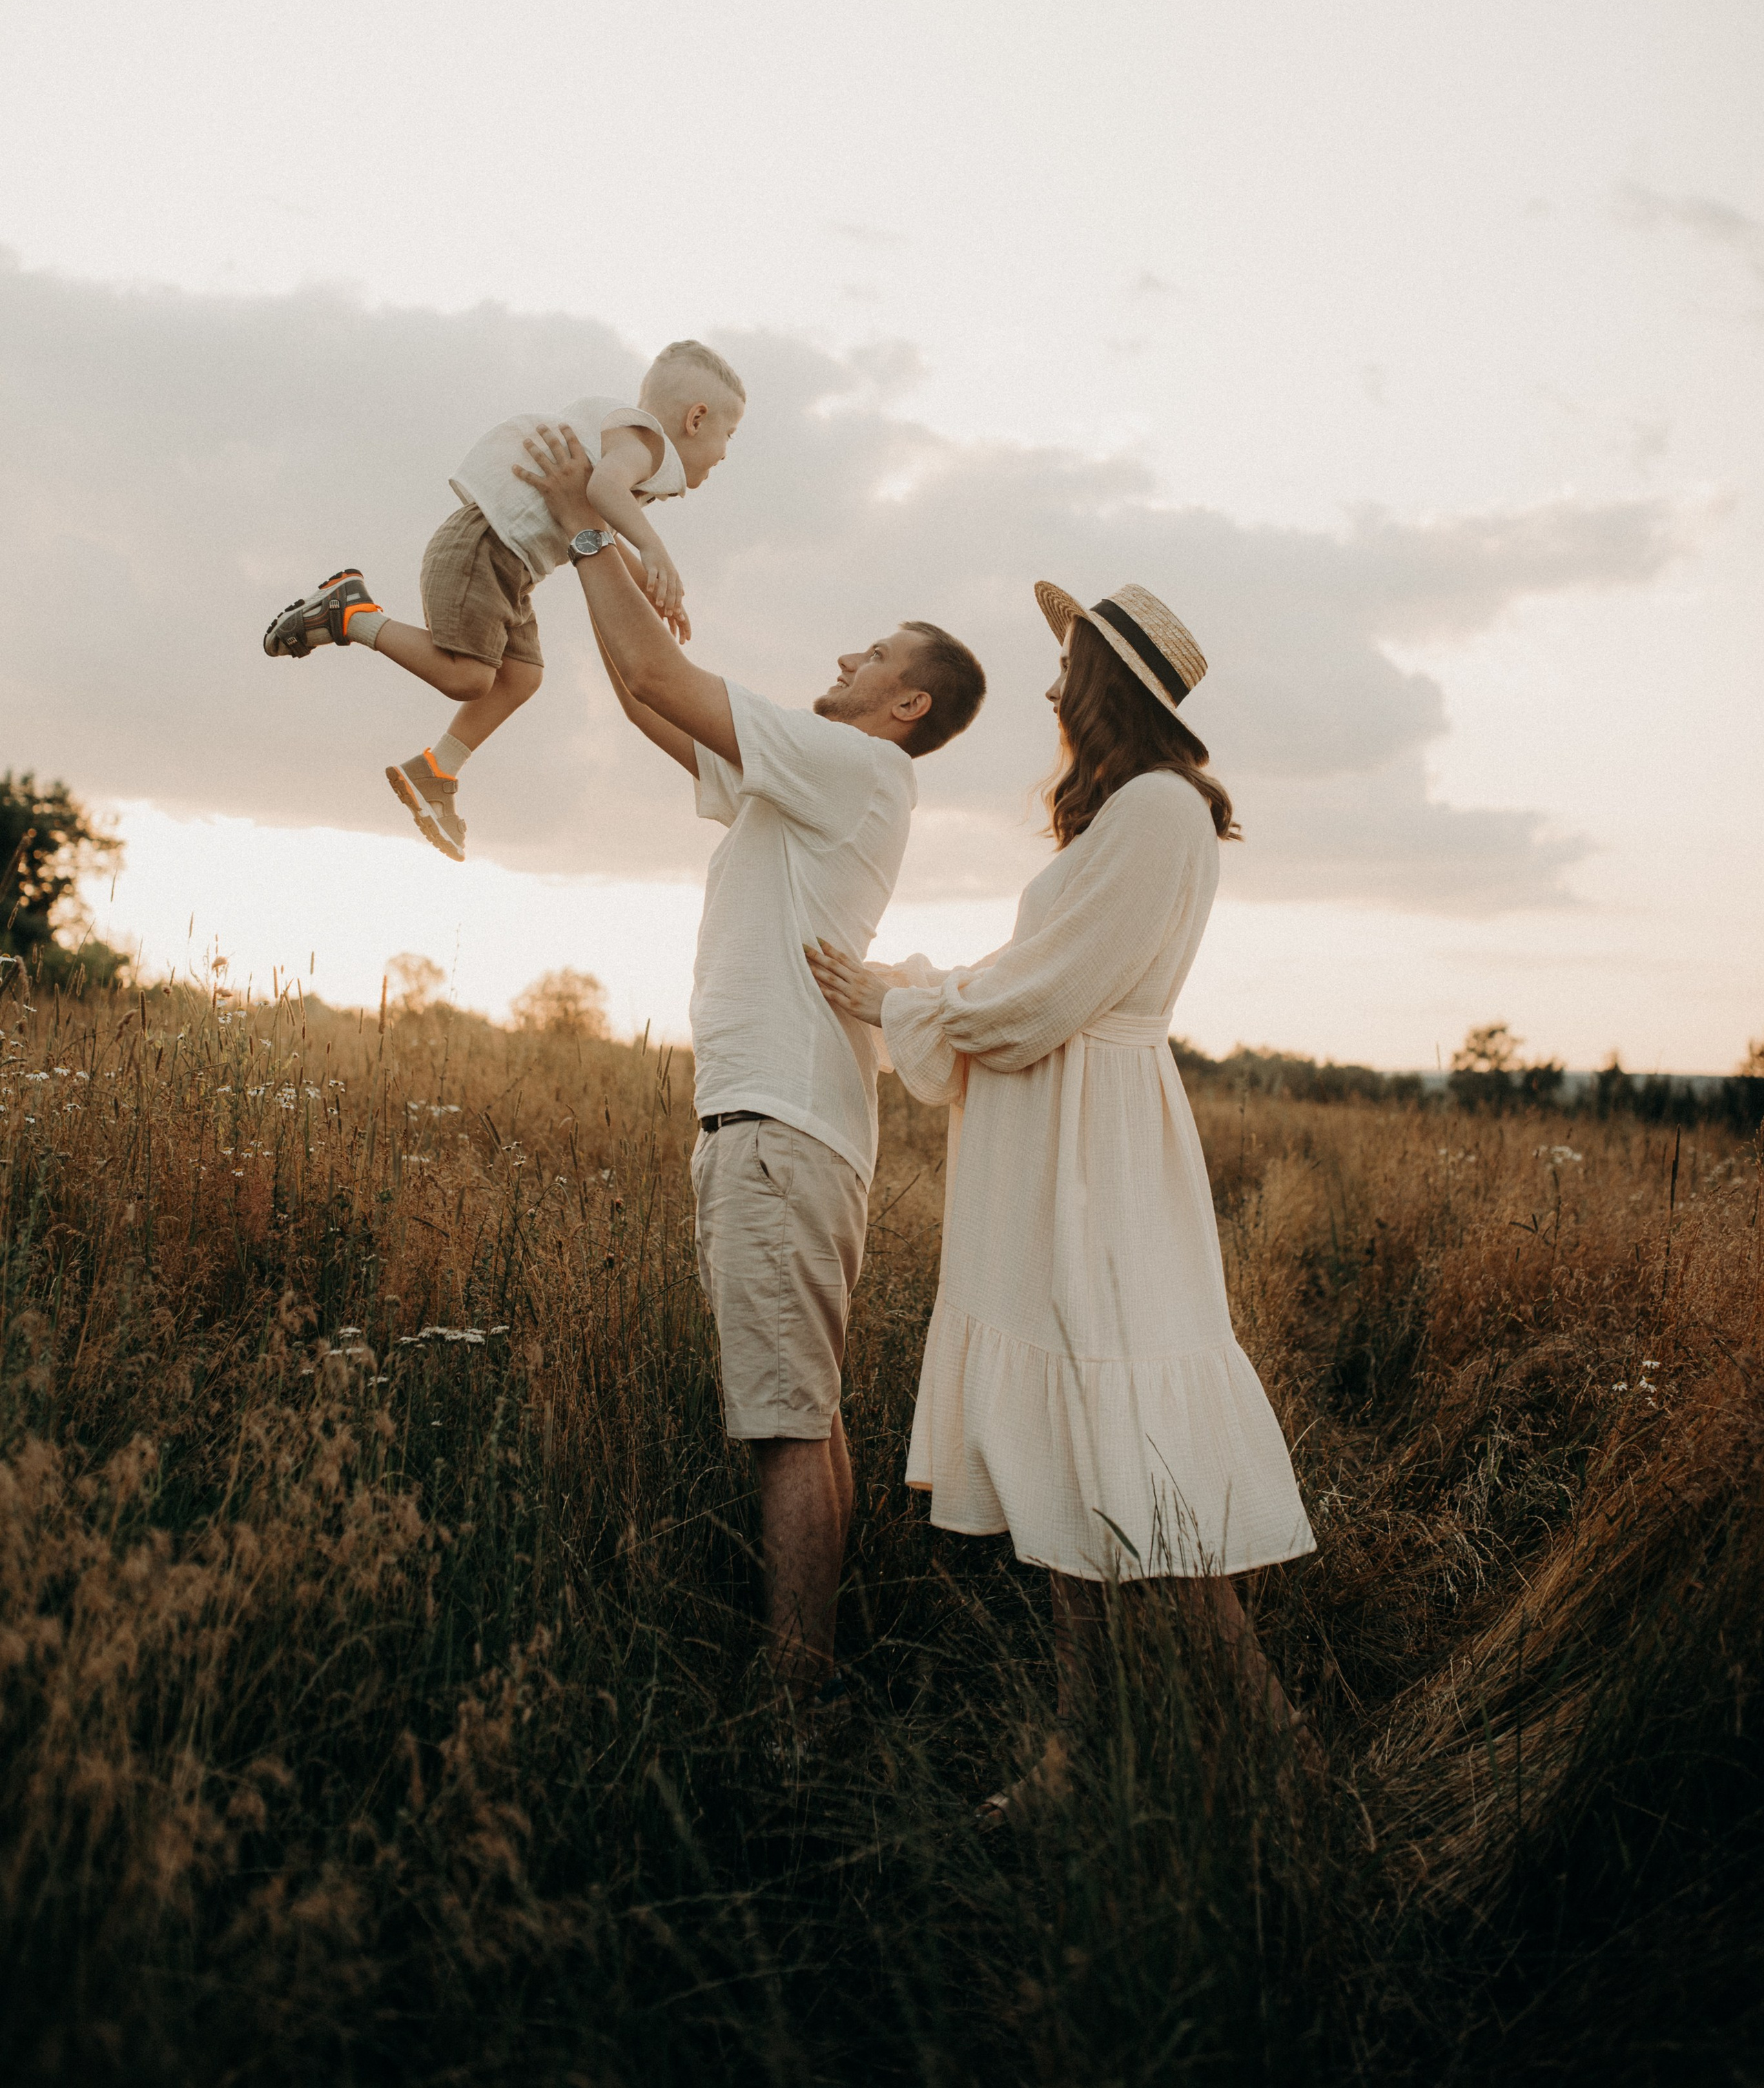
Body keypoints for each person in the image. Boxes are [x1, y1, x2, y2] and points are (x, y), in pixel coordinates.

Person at [806, 580, 1315, 1809]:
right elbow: (1031, 974)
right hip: (1057, 1141)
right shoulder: (1134, 814)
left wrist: (897, 1003)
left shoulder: (1157, 811)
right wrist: (918, 982)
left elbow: (1050, 997)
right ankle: (1081, 1752)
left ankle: (1283, 1768)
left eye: (1064, 667)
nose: (1046, 689)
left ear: (1106, 685)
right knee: (1073, 1459)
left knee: (1139, 1449)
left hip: (1096, 1153)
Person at [512, 420, 987, 1711]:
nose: (846, 655)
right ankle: (809, 1687)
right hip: (791, 1127)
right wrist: (593, 549)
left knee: (785, 1426)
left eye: (874, 653)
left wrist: (585, 520)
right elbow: (639, 688)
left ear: (908, 704)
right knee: (809, 1415)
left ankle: (789, 1718)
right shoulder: (807, 786)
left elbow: (662, 678)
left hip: (778, 1129)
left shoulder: (856, 765)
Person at [259, 340, 746, 861]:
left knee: (523, 675)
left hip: (507, 566)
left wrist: (650, 587)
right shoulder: (649, 446)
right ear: (696, 418)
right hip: (485, 549)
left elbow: (594, 521)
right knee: (468, 676)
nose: (725, 453)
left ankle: (436, 769)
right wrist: (654, 549)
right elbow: (603, 491)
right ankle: (351, 613)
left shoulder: (630, 441)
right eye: (729, 435)